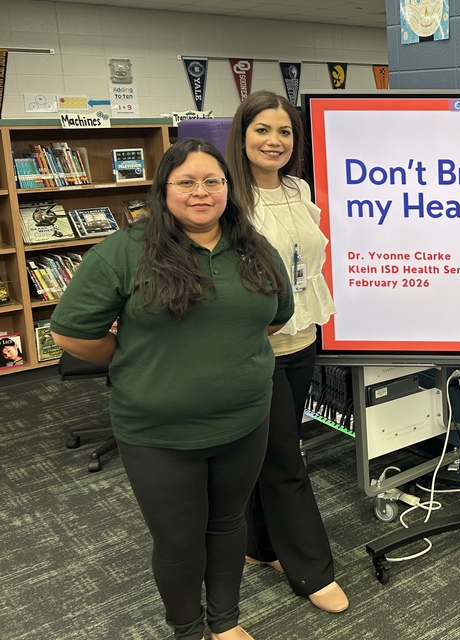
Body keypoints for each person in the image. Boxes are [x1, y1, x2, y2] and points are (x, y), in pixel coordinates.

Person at [50, 138, 294, 640]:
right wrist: (131, 360)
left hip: (245, 419)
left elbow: (274, 319)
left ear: (229, 188)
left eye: (213, 181)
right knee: (180, 540)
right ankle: (188, 629)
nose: (201, 192)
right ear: (164, 190)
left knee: (228, 525)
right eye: (187, 182)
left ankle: (225, 620)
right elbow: (72, 334)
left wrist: (225, 353)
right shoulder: (124, 251)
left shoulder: (254, 247)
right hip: (159, 433)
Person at [226, 91, 347, 613]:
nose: (275, 141)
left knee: (269, 448)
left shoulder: (300, 190)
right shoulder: (229, 196)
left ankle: (260, 545)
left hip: (303, 336)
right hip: (256, 346)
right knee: (285, 460)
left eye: (286, 132)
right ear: (242, 135)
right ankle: (312, 571)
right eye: (263, 131)